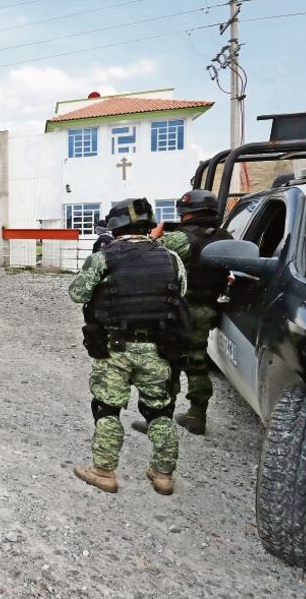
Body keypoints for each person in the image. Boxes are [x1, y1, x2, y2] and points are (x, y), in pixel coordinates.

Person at [69, 198, 190, 495]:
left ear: (115, 225)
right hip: (157, 348)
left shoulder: (104, 257)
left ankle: (104, 471)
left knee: (107, 408)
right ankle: (162, 475)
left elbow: (78, 293)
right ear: (148, 224)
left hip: (115, 349)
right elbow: (181, 292)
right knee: (159, 412)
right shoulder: (172, 258)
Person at [131, 190, 232, 436]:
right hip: (207, 309)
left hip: (178, 311)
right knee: (197, 363)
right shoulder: (225, 238)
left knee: (169, 363)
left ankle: (159, 419)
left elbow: (143, 257)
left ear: (185, 214)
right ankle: (197, 416)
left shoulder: (180, 239)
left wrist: (154, 237)